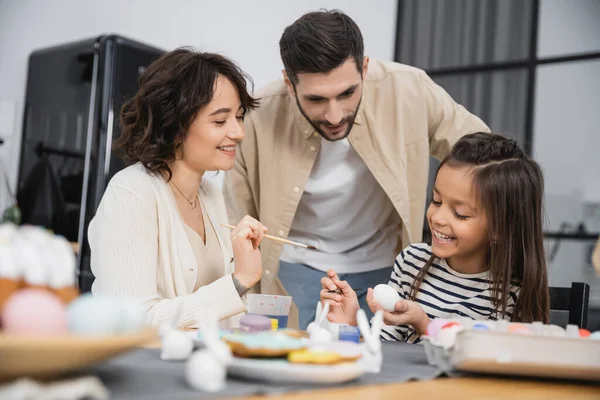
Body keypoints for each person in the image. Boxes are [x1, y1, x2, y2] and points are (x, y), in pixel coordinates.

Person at [223, 10, 490, 329]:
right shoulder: (258, 115)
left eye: (347, 93)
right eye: (317, 99)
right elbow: (236, 220)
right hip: (293, 274)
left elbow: (486, 156)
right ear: (289, 85)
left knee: (385, 373)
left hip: (389, 271)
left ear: (364, 69)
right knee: (299, 371)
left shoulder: (409, 89)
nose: (334, 116)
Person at [88, 48, 267, 329]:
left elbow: (219, 320)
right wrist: (238, 282)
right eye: (220, 121)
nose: (238, 132)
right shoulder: (131, 193)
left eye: (239, 116)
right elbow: (132, 321)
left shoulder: (209, 194)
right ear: (176, 125)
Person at [320, 132, 550, 343]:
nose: (438, 217)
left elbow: (478, 366)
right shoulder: (412, 261)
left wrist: (423, 323)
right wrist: (350, 324)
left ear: (500, 227)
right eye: (437, 201)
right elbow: (384, 349)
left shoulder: (509, 293)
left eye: (460, 214)